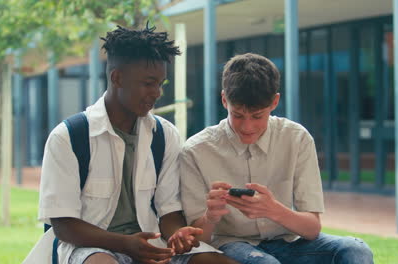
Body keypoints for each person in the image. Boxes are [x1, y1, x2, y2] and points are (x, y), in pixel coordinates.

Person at [25, 25, 238, 264]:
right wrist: (126, 244)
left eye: (161, 84)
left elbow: (169, 211)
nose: (157, 93)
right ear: (117, 77)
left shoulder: (164, 135)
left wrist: (177, 234)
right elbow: (63, 225)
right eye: (148, 83)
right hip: (91, 248)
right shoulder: (69, 137)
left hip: (152, 244)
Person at [180, 53, 374, 264]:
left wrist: (273, 210)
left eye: (257, 116)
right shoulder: (196, 150)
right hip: (231, 243)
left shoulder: (297, 138)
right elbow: (198, 241)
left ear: (275, 102)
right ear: (224, 99)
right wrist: (210, 217)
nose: (247, 127)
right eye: (237, 115)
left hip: (288, 242)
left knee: (356, 250)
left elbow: (312, 228)